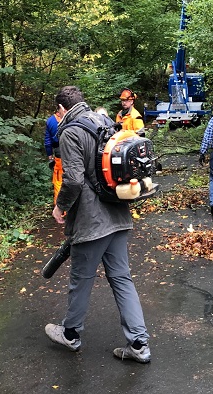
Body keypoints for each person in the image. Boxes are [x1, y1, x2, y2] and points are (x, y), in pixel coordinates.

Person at [45, 85, 151, 363]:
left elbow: (73, 181)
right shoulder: (104, 121)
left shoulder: (70, 132)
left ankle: (70, 334)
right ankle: (139, 344)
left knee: (81, 279)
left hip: (92, 222)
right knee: (122, 279)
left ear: (61, 109)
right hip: (117, 212)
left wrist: (60, 208)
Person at [44, 107, 63, 204]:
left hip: (59, 154)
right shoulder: (71, 118)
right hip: (73, 154)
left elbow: (48, 142)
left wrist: (50, 156)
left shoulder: (50, 121)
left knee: (59, 180)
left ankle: (61, 210)